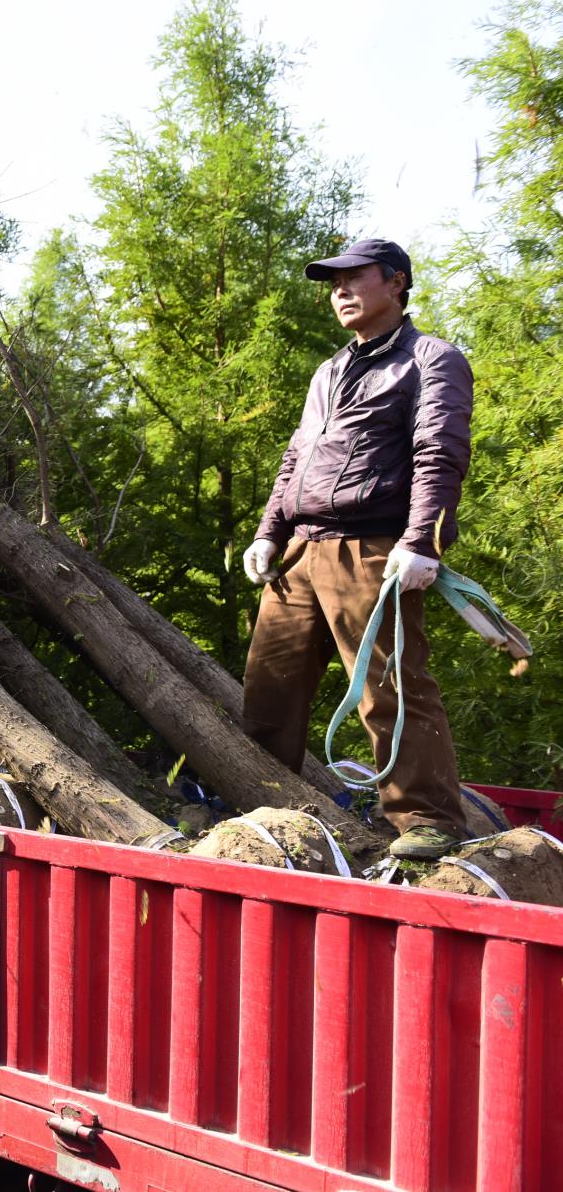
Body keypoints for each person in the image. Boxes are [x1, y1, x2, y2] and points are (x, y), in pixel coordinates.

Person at [240, 239, 472, 861]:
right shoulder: (329, 370)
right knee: (269, 690)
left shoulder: (432, 360)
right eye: (332, 282)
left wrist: (422, 541)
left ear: (396, 283)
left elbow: (439, 456)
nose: (339, 291)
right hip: (300, 554)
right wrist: (270, 532)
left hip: (371, 549)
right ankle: (259, 807)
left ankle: (428, 819)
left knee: (389, 687)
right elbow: (296, 458)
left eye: (354, 278)